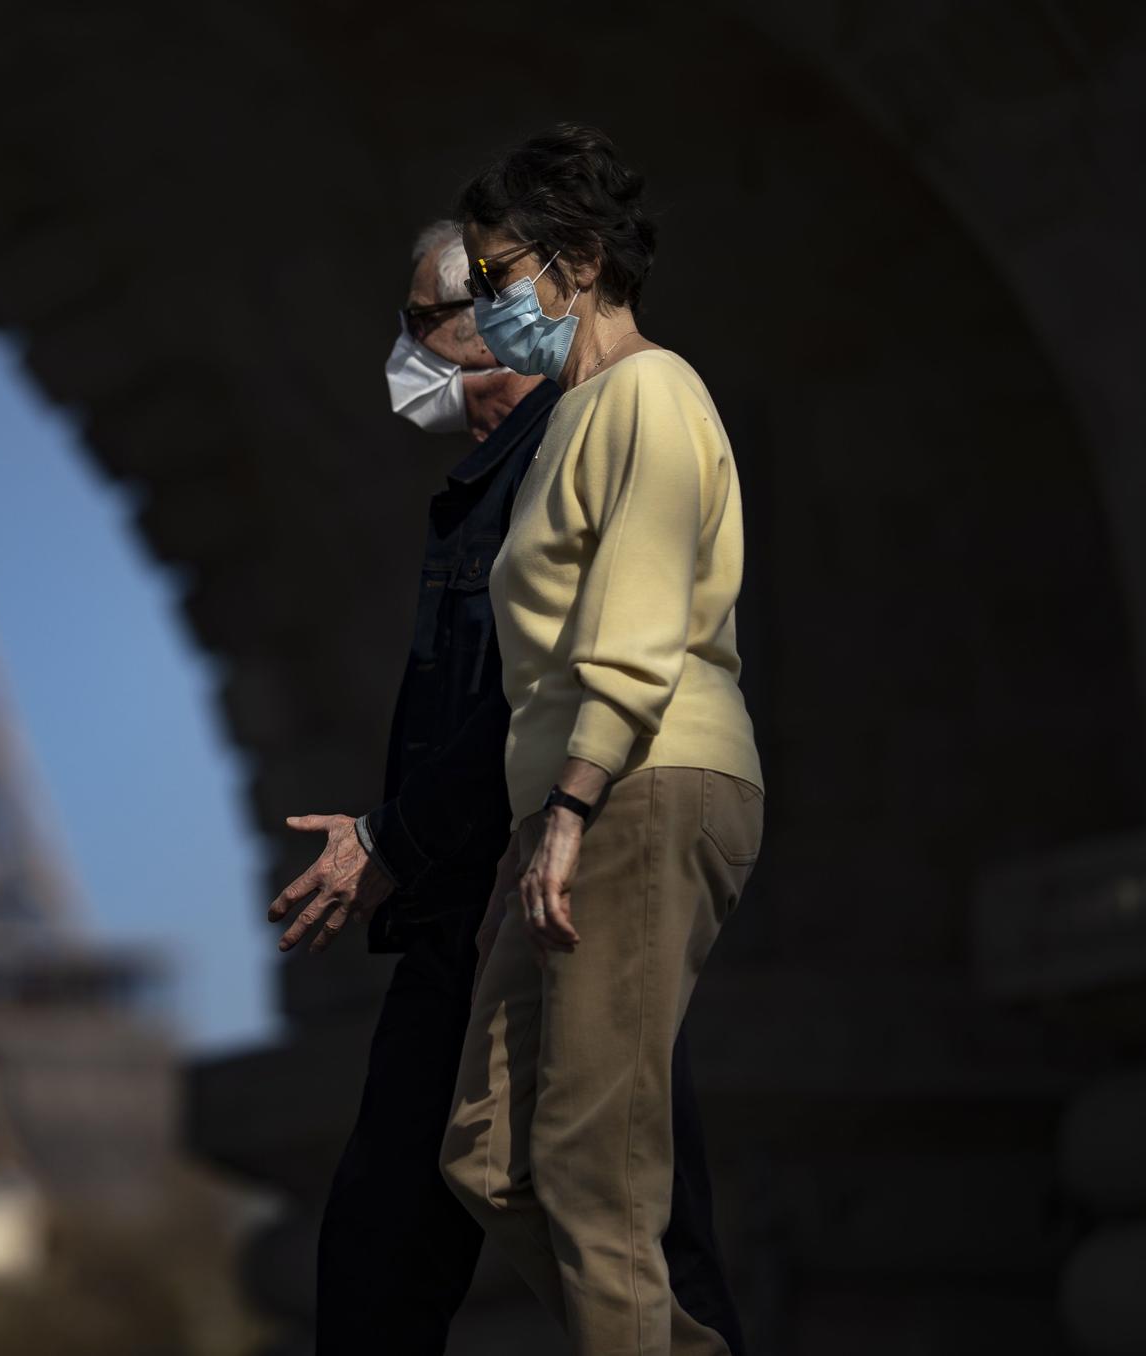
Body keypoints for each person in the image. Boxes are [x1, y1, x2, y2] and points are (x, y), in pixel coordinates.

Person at [267, 218, 748, 1354]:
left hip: (535, 875)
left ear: (490, 325)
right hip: (485, 883)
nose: (405, 352)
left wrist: (405, 832)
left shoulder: (591, 432)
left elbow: (556, 680)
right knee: (533, 1192)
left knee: (586, 1204)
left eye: (418, 322)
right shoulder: (493, 477)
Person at [434, 124, 768, 1356]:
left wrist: (566, 815)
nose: (482, 306)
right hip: (575, 801)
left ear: (574, 262)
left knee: (591, 1170)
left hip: (637, 778)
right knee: (484, 1148)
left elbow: (629, 632)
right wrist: (534, 826)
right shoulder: (574, 418)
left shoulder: (650, 392)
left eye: (496, 274)